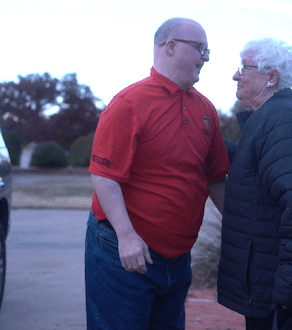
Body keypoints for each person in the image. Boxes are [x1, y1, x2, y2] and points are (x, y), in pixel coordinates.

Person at [85, 17, 230, 330]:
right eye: (201, 49)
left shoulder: (206, 110)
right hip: (124, 254)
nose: (206, 58)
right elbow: (104, 176)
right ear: (171, 47)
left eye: (208, 51)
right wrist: (126, 237)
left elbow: (216, 178)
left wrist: (241, 225)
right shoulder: (129, 104)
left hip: (178, 259)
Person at [217, 38, 292, 330]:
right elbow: (259, 173)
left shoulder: (284, 123)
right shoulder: (270, 119)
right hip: (270, 292)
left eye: (243, 68)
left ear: (271, 76)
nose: (236, 75)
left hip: (281, 302)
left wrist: (289, 301)